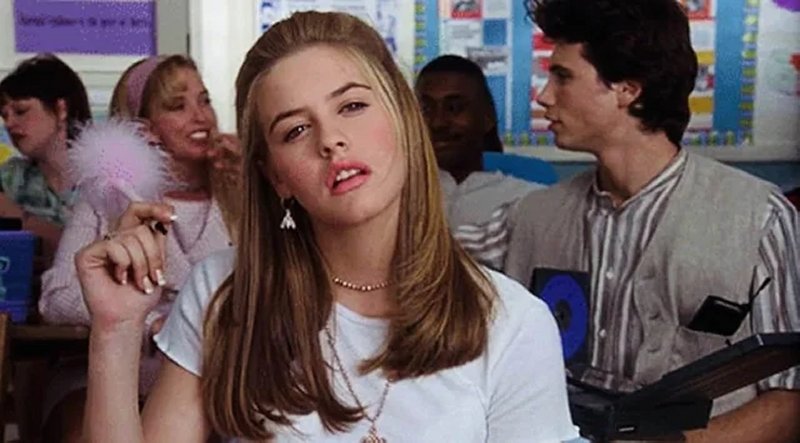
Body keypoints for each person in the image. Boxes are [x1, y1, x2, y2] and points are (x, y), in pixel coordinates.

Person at [75, 11, 577, 442]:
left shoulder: (513, 324)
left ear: (404, 119)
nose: (330, 139)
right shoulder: (224, 294)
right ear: (276, 176)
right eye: (295, 130)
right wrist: (116, 330)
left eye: (352, 106)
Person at [459, 0, 800, 441]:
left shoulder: (761, 219)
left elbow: (789, 401)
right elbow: (431, 259)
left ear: (627, 89)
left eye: (562, 76)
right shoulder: (530, 216)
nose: (543, 96)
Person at [38, 54, 239, 442]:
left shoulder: (239, 194)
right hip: (105, 378)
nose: (201, 116)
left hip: (210, 383)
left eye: (205, 100)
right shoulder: (109, 197)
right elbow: (56, 296)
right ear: (145, 128)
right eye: (178, 106)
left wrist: (261, 182)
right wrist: (151, 324)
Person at [415, 55, 545, 227]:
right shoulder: (393, 198)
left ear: (487, 117)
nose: (437, 122)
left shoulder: (528, 203)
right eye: (425, 109)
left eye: (454, 108)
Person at [0, 54, 92, 264]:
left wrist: (17, 216)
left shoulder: (104, 181)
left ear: (61, 109)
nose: (9, 123)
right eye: (4, 115)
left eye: (21, 111)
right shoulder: (8, 178)